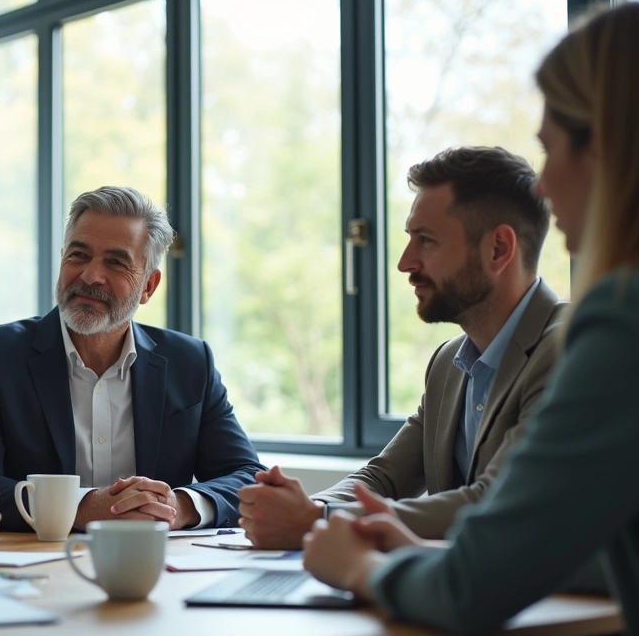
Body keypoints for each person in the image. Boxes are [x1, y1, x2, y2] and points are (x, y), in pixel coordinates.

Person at [302, 2, 639, 634]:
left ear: (607, 146)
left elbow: (468, 591)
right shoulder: (453, 362)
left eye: (551, 150)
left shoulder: (632, 321)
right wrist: (418, 551)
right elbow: (623, 550)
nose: (547, 187)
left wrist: (359, 567)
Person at [238, 147, 566, 548]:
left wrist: (317, 519)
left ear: (498, 249)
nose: (405, 263)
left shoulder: (569, 349)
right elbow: (384, 479)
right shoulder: (449, 362)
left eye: (426, 241)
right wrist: (299, 510)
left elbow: (495, 501)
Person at [0, 186, 265, 532]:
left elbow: (247, 478)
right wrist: (82, 508)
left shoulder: (190, 362)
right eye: (78, 255)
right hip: (35, 569)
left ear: (149, 287)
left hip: (157, 569)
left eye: (116, 262)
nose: (91, 276)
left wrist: (177, 506)